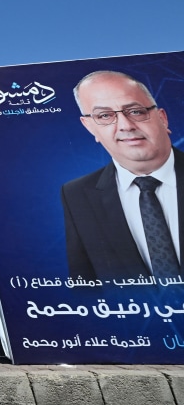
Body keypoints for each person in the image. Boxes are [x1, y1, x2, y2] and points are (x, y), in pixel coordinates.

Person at [61, 70, 184, 282]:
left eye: (136, 111)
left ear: (162, 119)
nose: (126, 126)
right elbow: (85, 286)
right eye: (105, 116)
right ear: (90, 127)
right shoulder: (77, 195)